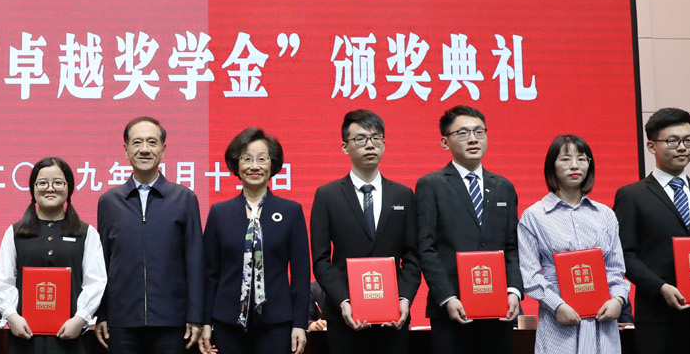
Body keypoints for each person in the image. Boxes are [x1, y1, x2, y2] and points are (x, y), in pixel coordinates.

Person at [613, 107, 690, 354]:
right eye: (672, 141)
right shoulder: (632, 195)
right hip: (657, 316)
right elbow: (624, 255)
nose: (682, 147)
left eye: (688, 140)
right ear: (651, 146)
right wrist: (661, 288)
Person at [309, 109, 420, 353]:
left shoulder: (403, 195)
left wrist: (404, 299)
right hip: (344, 317)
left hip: (393, 317)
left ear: (384, 143)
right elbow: (321, 259)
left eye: (376, 138)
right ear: (345, 147)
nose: (370, 145)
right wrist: (343, 301)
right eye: (360, 139)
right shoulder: (327, 195)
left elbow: (412, 257)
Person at [416, 105, 522, 354]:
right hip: (452, 309)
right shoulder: (431, 185)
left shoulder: (504, 187)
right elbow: (426, 247)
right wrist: (447, 297)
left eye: (479, 132)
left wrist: (514, 291)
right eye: (463, 133)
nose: (473, 139)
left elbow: (513, 246)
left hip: (499, 308)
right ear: (445, 142)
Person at [95, 116, 206, 354]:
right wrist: (101, 314)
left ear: (163, 150)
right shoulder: (109, 202)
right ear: (126, 150)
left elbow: (195, 262)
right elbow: (102, 263)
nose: (144, 149)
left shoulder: (184, 198)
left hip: (172, 321)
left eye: (152, 142)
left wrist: (196, 315)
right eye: (137, 143)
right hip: (122, 321)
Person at [199, 128, 310, 354]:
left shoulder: (291, 211)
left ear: (273, 164)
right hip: (227, 321)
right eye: (247, 159)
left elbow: (301, 274)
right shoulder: (219, 213)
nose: (254, 166)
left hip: (276, 322)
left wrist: (300, 323)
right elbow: (210, 274)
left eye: (262, 159)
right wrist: (206, 322)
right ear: (237, 165)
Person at [517, 135, 629, 354]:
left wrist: (617, 299)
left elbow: (615, 269)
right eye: (566, 159)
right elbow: (530, 274)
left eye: (582, 159)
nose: (575, 165)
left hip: (602, 318)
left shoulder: (605, 214)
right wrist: (557, 305)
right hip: (558, 319)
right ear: (552, 165)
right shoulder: (534, 216)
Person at [0, 157, 107, 354]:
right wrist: (12, 316)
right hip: (24, 337)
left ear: (69, 187)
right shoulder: (15, 232)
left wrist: (80, 318)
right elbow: (4, 281)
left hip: (71, 336)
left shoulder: (86, 233)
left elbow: (95, 282)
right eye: (43, 183)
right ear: (33, 188)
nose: (50, 188)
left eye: (58, 183)